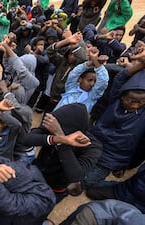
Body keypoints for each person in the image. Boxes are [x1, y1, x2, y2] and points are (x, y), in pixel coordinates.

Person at [83, 50, 145, 188]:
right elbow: (121, 78)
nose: (135, 105)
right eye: (130, 100)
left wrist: (122, 165)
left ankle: (115, 188)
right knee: (73, 174)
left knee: (86, 183)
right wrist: (141, 63)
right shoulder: (115, 101)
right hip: (92, 146)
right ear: (122, 96)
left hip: (112, 158)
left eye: (141, 102)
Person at [53, 46, 109, 112]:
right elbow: (74, 74)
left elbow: (103, 81)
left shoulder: (91, 97)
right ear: (80, 79)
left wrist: (96, 61)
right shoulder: (71, 87)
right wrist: (92, 62)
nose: (92, 84)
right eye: (89, 80)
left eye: (95, 82)